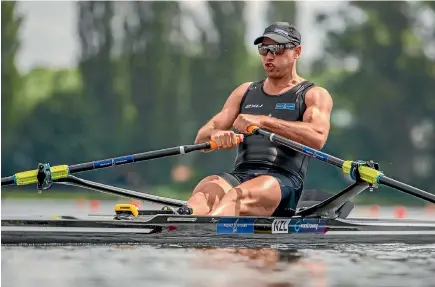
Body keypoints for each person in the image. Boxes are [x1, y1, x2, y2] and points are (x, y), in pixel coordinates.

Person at [172, 22, 333, 217]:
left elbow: (317, 138)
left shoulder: (313, 95)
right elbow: (201, 138)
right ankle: (183, 222)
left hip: (281, 182)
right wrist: (217, 135)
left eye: (277, 48)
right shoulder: (245, 91)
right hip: (241, 176)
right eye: (263, 49)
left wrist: (263, 122)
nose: (269, 55)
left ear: (297, 51)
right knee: (204, 192)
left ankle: (208, 233)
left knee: (235, 198)